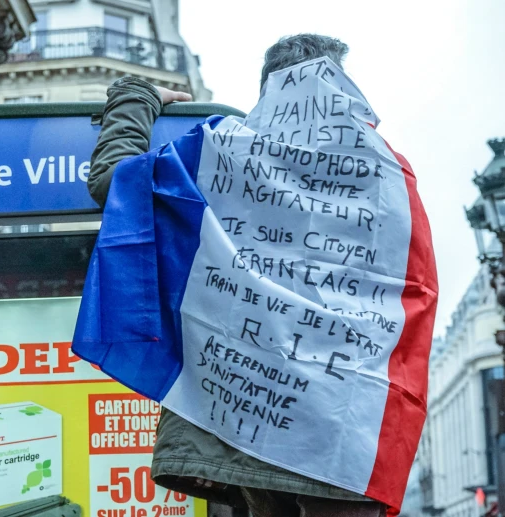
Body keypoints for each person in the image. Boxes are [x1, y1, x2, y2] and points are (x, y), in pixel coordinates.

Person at [86, 34, 388, 517]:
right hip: (340, 425)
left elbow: (117, 181)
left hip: (246, 407)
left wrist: (136, 98)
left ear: (268, 89)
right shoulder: (383, 174)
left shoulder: (226, 152)